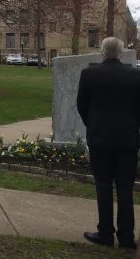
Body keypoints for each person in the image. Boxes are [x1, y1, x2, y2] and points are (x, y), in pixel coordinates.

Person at [77, 37, 140, 250]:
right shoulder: (136, 76)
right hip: (128, 141)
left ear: (102, 52)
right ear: (121, 53)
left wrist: (94, 125)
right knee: (125, 188)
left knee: (103, 186)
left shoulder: (89, 75)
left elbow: (82, 106)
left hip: (100, 139)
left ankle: (105, 233)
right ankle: (126, 237)